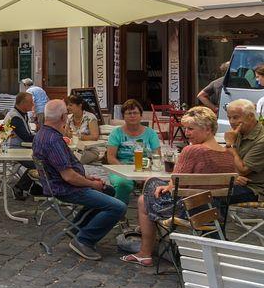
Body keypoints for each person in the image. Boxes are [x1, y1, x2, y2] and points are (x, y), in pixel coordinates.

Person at [123, 107, 237, 266]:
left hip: (189, 211)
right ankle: (156, 244)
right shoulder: (227, 154)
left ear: (208, 129)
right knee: (152, 190)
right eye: (185, 128)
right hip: (215, 213)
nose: (187, 133)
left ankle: (145, 252)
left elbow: (175, 182)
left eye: (191, 129)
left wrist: (165, 186)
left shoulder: (192, 150)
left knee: (146, 194)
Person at [33, 100, 126, 260]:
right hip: (65, 189)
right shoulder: (54, 140)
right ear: (63, 117)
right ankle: (84, 240)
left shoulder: (42, 134)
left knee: (109, 190)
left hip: (60, 184)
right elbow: (68, 176)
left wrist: (86, 178)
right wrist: (90, 184)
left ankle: (76, 228)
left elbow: (64, 170)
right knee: (118, 207)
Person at [105, 99, 160, 204]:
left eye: (135, 113)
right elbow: (111, 157)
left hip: (145, 168)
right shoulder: (116, 133)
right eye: (129, 113)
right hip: (121, 168)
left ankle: (151, 214)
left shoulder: (151, 133)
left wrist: (147, 171)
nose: (132, 116)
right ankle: (119, 213)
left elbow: (157, 155)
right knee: (122, 184)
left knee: (155, 184)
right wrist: (126, 172)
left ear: (141, 115)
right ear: (123, 116)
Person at [223, 98, 264, 204]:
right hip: (236, 182)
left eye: (236, 117)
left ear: (250, 116)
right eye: (229, 118)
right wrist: (232, 177)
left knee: (213, 195)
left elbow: (243, 170)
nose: (232, 122)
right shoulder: (239, 133)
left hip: (255, 190)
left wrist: (230, 145)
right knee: (200, 190)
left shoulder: (261, 139)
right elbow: (225, 160)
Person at [4, 91, 37, 200]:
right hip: (15, 149)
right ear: (23, 103)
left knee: (43, 160)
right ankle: (20, 187)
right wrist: (43, 137)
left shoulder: (20, 114)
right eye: (31, 102)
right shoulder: (15, 117)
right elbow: (26, 137)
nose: (33, 104)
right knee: (40, 163)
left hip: (20, 148)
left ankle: (34, 187)